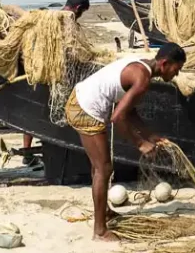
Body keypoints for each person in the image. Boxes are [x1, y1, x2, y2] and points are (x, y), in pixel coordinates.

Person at [65, 42, 186, 241]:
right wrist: (140, 144)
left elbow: (129, 110)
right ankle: (100, 231)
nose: (177, 74)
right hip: (85, 108)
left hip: (83, 101)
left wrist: (149, 134)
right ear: (165, 64)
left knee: (100, 168)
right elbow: (117, 118)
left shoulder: (142, 67)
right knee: (103, 169)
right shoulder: (142, 78)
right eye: (177, 69)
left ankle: (104, 213)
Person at [22, 0, 91, 165]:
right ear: (77, 8)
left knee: (32, 114)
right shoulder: (66, 21)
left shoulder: (46, 17)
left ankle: (27, 153)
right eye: (81, 13)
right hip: (56, 77)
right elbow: (73, 51)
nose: (79, 16)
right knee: (58, 112)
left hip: (36, 72)